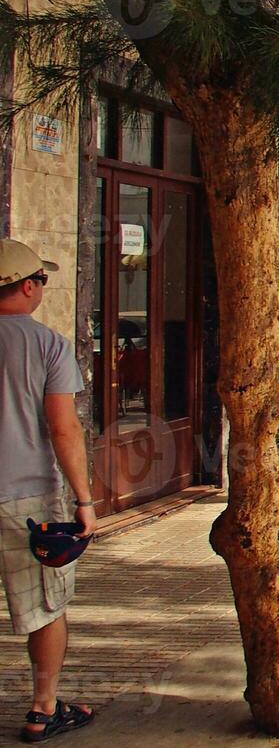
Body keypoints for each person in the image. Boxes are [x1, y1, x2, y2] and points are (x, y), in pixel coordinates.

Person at [0, 240, 96, 742]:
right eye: (41, 280)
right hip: (28, 499)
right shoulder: (49, 345)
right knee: (45, 607)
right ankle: (42, 709)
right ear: (27, 285)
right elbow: (64, 430)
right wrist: (84, 499)